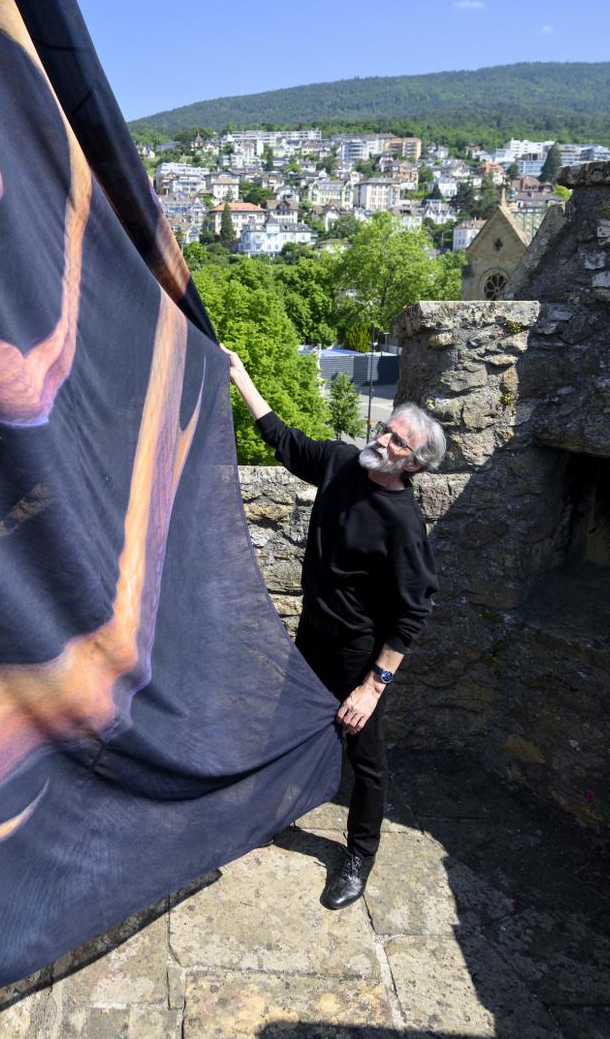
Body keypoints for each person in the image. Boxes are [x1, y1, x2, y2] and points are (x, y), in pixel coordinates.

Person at [225, 347, 443, 910]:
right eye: (385, 429)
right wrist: (239, 374)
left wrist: (373, 686)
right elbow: (284, 439)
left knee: (365, 754)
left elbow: (414, 610)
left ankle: (359, 856)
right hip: (314, 633)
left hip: (358, 652)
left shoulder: (404, 524)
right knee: (290, 722)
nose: (384, 441)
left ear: (414, 464)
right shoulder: (343, 463)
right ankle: (273, 812)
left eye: (398, 441)